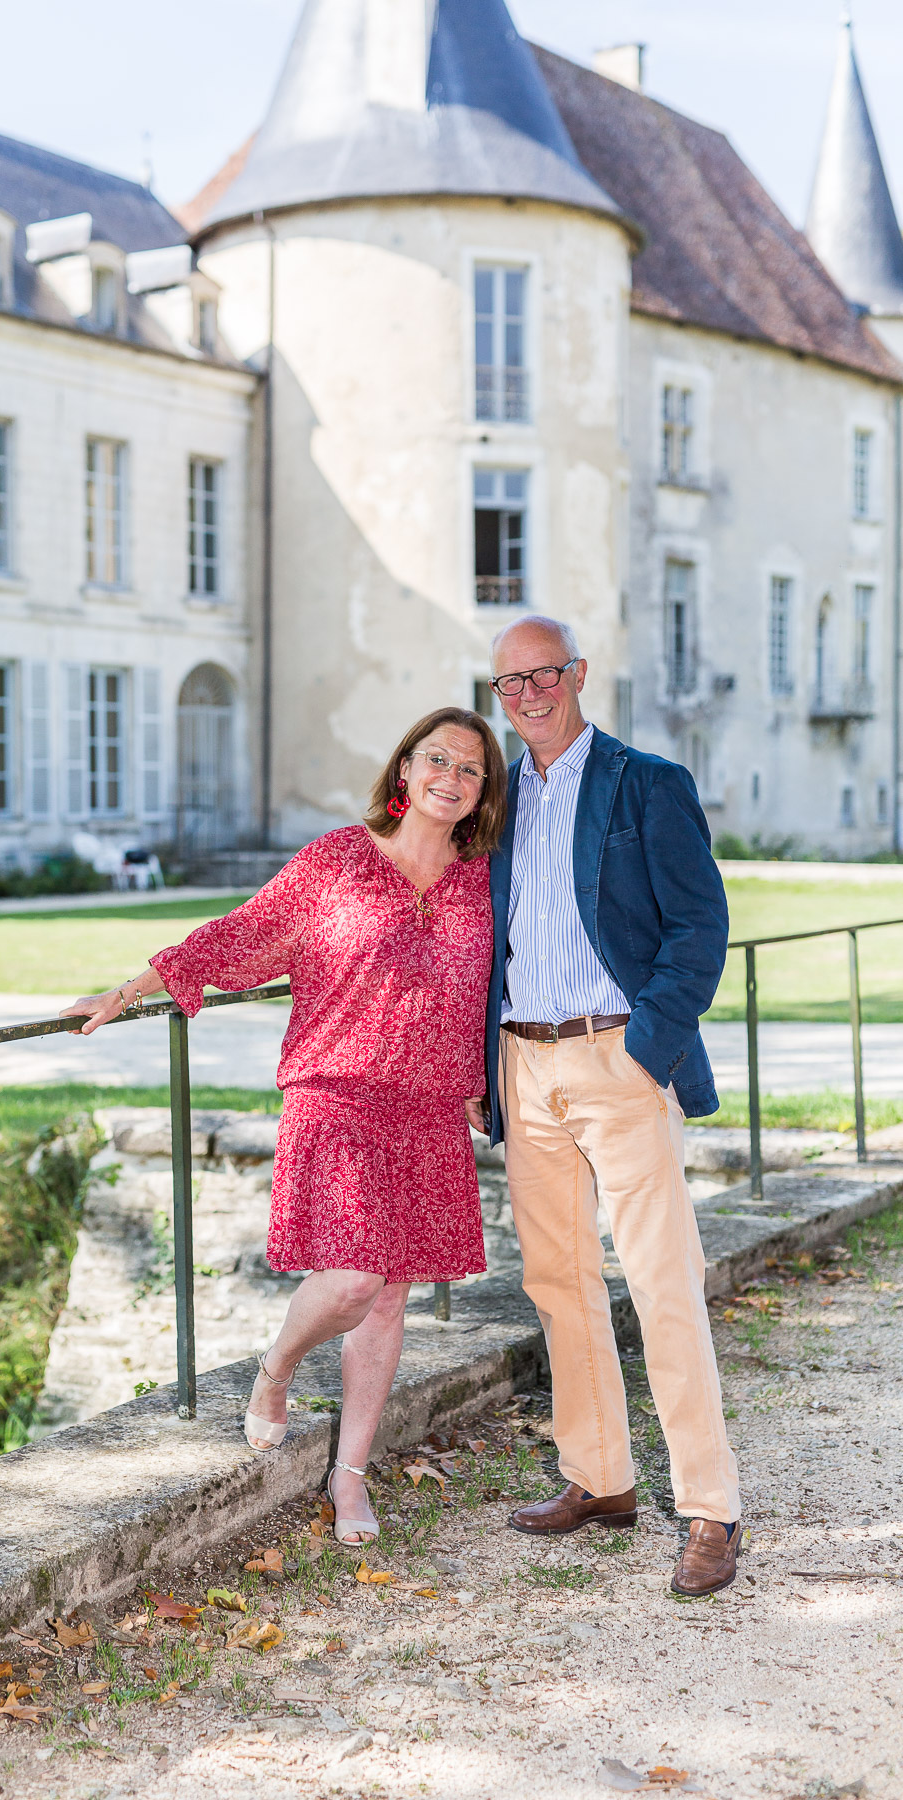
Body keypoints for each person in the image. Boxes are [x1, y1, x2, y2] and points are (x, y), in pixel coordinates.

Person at [61, 708, 506, 1547]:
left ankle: (350, 1473)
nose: (451, 777)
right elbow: (244, 932)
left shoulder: (484, 883)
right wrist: (128, 989)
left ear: (484, 792)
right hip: (337, 1098)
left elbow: (498, 990)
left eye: (471, 769)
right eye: (437, 759)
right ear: (404, 769)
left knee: (389, 1298)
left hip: (428, 1112)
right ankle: (276, 1370)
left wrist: (484, 1083)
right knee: (353, 1282)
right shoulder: (338, 859)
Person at [469, 614, 741, 1597]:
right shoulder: (498, 801)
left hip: (617, 1057)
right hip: (523, 1063)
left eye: (544, 673)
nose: (528, 694)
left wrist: (647, 1047)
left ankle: (710, 1508)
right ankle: (601, 1478)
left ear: (578, 673)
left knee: (663, 1282)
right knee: (558, 1281)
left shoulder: (645, 782)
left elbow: (699, 927)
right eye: (510, 683)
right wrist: (480, 1064)